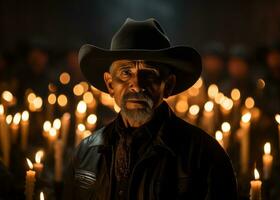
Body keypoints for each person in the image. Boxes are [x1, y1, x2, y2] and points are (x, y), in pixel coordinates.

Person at [63, 18, 237, 200]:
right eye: (125, 73)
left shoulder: (205, 155)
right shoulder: (86, 153)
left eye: (149, 73)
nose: (137, 85)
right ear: (110, 84)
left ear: (168, 85)